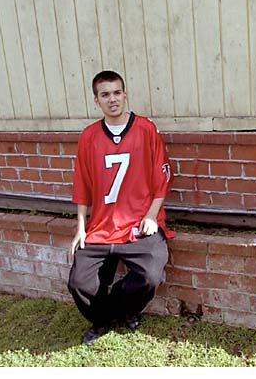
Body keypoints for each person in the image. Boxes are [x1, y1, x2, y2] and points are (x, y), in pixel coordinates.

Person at [67, 70, 175, 346]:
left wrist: (152, 215)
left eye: (117, 93)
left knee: (150, 275)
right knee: (79, 282)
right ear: (96, 100)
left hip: (139, 221)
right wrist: (80, 228)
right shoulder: (89, 137)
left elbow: (162, 174)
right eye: (105, 95)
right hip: (102, 225)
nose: (112, 99)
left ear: (124, 95)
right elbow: (81, 183)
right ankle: (102, 320)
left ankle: (124, 311)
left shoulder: (145, 129)